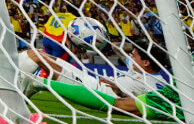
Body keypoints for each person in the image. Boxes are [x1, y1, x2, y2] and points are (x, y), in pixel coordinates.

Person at [20, 36, 170, 103]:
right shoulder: (136, 68)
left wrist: (121, 92)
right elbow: (117, 48)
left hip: (93, 91)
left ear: (146, 62)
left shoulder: (156, 83)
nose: (130, 57)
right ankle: (28, 86)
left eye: (134, 55)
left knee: (37, 58)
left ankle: (16, 84)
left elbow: (153, 104)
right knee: (36, 52)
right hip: (89, 80)